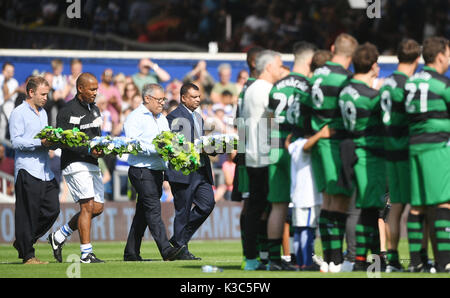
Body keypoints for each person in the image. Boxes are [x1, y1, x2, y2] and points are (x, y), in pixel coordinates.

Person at [265, 41, 317, 271]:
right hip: (296, 146)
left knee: (278, 206)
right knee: (302, 204)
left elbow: (267, 121)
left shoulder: (276, 86)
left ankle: (275, 259)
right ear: (308, 61)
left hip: (275, 146)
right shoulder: (308, 85)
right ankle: (303, 256)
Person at [309, 33, 358, 273]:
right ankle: (337, 260)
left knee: (328, 200)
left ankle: (329, 259)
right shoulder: (344, 78)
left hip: (318, 142)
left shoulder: (317, 73)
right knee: (339, 201)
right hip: (335, 141)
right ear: (351, 55)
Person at [338, 42, 386, 271]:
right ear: (374, 66)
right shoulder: (372, 96)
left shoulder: (345, 89)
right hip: (369, 154)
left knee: (355, 207)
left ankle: (357, 258)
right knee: (369, 208)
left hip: (348, 149)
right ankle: (367, 259)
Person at [123, 83, 185, 261]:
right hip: (141, 170)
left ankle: (131, 252)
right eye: (159, 99)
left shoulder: (162, 119)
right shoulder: (134, 117)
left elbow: (168, 141)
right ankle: (166, 250)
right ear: (147, 98)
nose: (162, 103)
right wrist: (157, 149)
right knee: (153, 209)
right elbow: (133, 144)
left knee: (143, 214)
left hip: (157, 171)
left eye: (163, 99)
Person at [48, 73, 105, 264]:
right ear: (80, 88)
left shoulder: (95, 110)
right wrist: (88, 148)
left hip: (92, 163)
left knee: (97, 208)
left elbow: (97, 137)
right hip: (74, 163)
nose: (95, 92)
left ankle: (59, 236)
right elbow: (64, 142)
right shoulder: (67, 111)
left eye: (96, 89)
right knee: (87, 206)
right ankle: (86, 254)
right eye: (92, 89)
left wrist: (103, 149)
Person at [404, 36, 450, 273]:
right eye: (449, 55)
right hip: (436, 147)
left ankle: (417, 262)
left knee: (418, 206)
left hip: (414, 146)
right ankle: (445, 262)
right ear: (440, 56)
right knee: (444, 202)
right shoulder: (441, 83)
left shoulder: (411, 82)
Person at [378, 38, 421, 272]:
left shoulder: (385, 83)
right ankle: (418, 260)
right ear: (417, 59)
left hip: (385, 151)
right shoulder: (408, 85)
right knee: (415, 205)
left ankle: (392, 260)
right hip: (403, 149)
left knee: (393, 207)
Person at [241, 49, 284, 270]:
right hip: (267, 156)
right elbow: (273, 123)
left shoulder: (250, 89)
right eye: (279, 65)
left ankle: (253, 258)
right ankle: (268, 257)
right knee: (269, 208)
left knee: (256, 209)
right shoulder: (267, 90)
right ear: (268, 67)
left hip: (253, 155)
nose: (282, 69)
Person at [9, 76, 60, 264]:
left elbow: (44, 139)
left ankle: (24, 241)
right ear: (31, 92)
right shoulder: (18, 113)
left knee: (53, 208)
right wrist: (40, 143)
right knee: (27, 213)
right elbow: (16, 141)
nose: (46, 97)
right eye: (43, 94)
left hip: (45, 170)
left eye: (47, 94)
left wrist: (52, 143)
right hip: (27, 170)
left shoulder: (44, 113)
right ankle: (27, 254)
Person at [165, 82, 216, 260]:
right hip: (184, 172)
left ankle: (179, 239)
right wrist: (199, 147)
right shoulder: (173, 117)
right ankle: (180, 247)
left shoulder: (197, 117)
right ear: (183, 98)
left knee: (207, 204)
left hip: (201, 171)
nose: (198, 99)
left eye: (199, 96)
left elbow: (201, 142)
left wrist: (213, 148)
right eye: (194, 97)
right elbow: (178, 146)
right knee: (183, 211)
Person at [288, 125, 333, 270]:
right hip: (308, 196)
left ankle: (300, 261)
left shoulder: (293, 145)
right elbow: (306, 146)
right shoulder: (302, 145)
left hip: (297, 196)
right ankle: (307, 263)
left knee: (299, 230)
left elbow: (287, 145)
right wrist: (321, 134)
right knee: (307, 230)